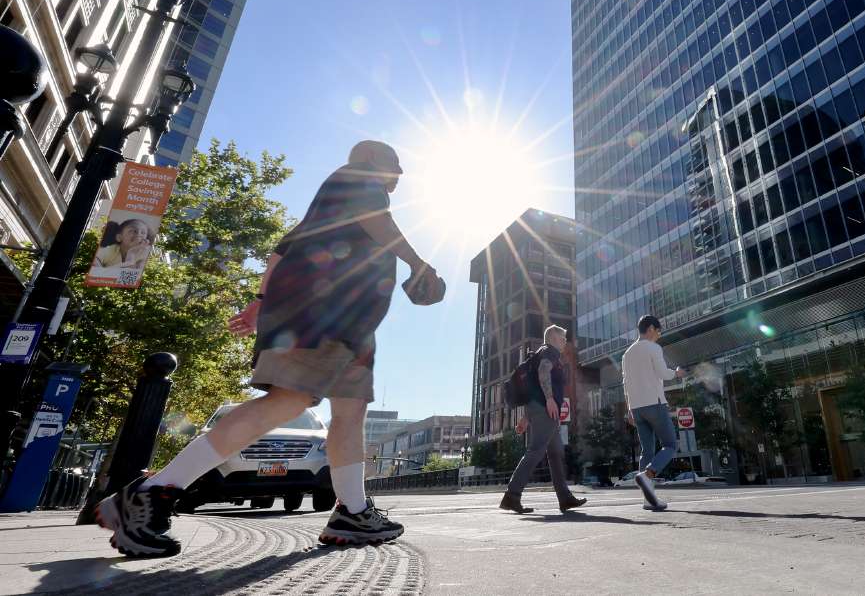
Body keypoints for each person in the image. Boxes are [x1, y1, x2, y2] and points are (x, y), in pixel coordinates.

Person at [95, 140, 443, 557]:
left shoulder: (329, 206)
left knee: (349, 412)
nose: (399, 176)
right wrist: (419, 263)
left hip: (351, 326)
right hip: (323, 313)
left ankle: (352, 510)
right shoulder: (357, 179)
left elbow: (280, 251)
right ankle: (153, 492)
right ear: (372, 161)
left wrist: (260, 304)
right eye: (395, 166)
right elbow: (378, 222)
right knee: (288, 401)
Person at [500, 325, 587, 514]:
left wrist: (526, 417)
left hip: (538, 409)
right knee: (536, 450)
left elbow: (533, 389)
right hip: (545, 410)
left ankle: (565, 498)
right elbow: (543, 372)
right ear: (554, 338)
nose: (565, 341)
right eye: (563, 338)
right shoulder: (550, 352)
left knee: (556, 454)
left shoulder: (540, 353)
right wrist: (549, 399)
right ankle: (511, 496)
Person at [622, 315, 682, 511]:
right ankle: (647, 475)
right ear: (649, 329)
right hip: (654, 405)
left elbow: (626, 384)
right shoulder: (653, 348)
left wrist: (629, 408)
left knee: (646, 451)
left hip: (637, 408)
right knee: (670, 444)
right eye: (658, 331)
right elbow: (663, 374)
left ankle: (649, 501)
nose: (659, 335)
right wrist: (677, 373)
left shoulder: (627, 354)